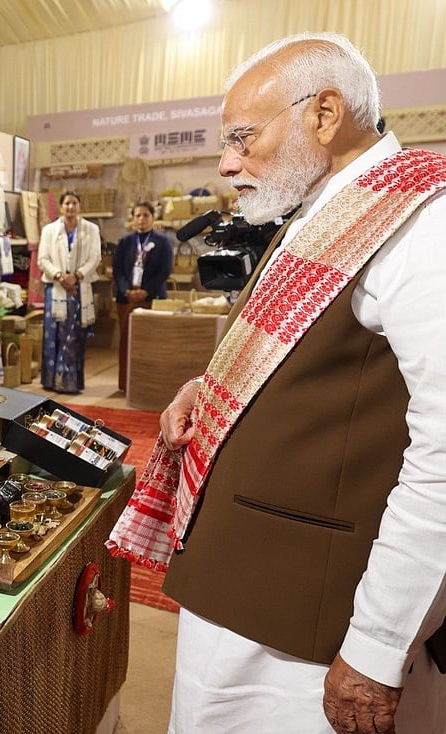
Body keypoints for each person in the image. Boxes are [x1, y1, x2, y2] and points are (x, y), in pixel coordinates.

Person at [107, 33, 446, 733]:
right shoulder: (329, 212)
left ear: (325, 114)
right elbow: (303, 356)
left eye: (242, 137)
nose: (228, 164)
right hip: (246, 586)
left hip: (310, 622)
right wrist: (213, 385)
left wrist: (379, 647)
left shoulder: (420, 222)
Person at [36, 190, 101, 393]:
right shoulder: (49, 230)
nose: (70, 207)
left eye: (74, 203)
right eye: (67, 203)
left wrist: (77, 276)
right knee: (52, 334)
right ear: (61, 207)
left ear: (79, 206)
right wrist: (60, 276)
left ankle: (70, 383)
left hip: (79, 289)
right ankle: (50, 381)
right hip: (55, 288)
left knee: (73, 335)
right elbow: (43, 259)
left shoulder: (91, 229)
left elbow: (95, 257)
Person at [111, 201, 172, 391]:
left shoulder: (163, 242)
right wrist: (127, 291)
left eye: (145, 215)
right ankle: (125, 384)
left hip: (152, 298)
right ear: (133, 218)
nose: (141, 219)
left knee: (151, 341)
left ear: (153, 218)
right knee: (126, 341)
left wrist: (146, 291)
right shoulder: (125, 242)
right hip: (126, 298)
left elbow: (165, 270)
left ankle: (149, 383)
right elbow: (118, 271)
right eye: (137, 215)